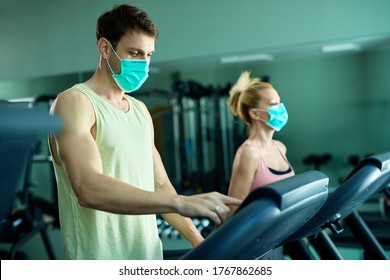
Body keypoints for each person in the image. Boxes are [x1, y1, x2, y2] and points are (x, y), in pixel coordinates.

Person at [48, 4, 241, 260]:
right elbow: (88, 187)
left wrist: (200, 242)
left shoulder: (139, 110)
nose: (144, 63)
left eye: (149, 55)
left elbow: (161, 186)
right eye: (135, 53)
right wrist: (181, 202)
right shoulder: (75, 102)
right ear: (105, 48)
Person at [227, 71, 294, 259]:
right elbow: (234, 209)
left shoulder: (280, 147)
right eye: (273, 104)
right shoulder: (249, 153)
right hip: (254, 246)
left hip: (278, 239)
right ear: (255, 113)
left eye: (280, 102)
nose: (281, 108)